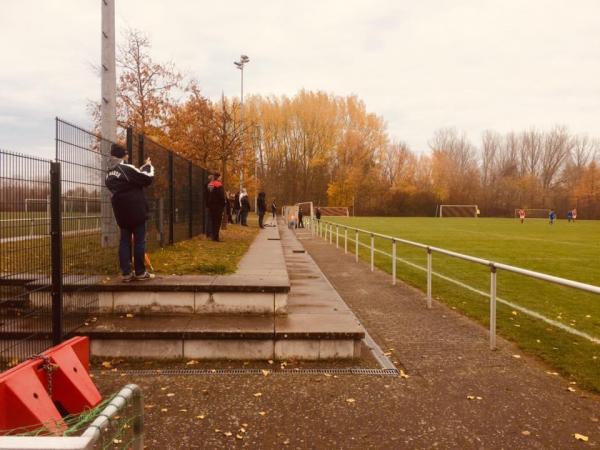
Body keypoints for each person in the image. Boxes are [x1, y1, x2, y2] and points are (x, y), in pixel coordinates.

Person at [105, 144, 155, 282]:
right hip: (136, 210)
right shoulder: (126, 168)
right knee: (139, 241)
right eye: (126, 153)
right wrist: (148, 166)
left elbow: (131, 179)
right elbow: (146, 178)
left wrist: (138, 174)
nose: (128, 155)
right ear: (123, 155)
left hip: (121, 213)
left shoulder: (108, 173)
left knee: (124, 242)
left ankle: (126, 273)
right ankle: (140, 272)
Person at [207, 172, 226, 241]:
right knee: (217, 222)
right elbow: (221, 196)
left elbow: (207, 195)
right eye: (220, 177)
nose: (221, 178)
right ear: (218, 177)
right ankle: (216, 237)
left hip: (211, 205)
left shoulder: (210, 184)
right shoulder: (219, 185)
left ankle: (212, 236)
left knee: (212, 221)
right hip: (218, 206)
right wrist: (223, 204)